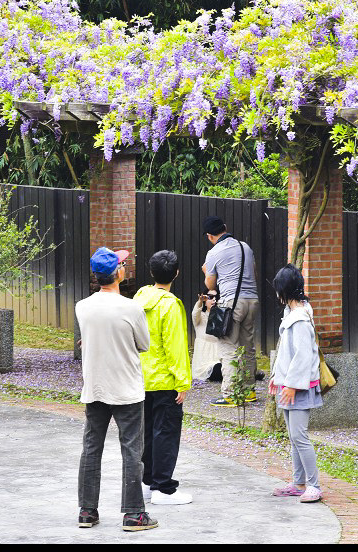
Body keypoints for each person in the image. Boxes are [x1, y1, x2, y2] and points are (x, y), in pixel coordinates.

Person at [75, 247, 157, 532]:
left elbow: (89, 339)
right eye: (123, 265)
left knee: (91, 448)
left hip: (95, 386)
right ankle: (134, 514)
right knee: (131, 450)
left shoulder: (82, 306)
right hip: (126, 388)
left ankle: (87, 510)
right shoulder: (132, 307)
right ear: (119, 273)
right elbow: (144, 344)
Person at [133, 249, 193, 506]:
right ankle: (163, 487)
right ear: (176, 273)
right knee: (166, 433)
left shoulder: (139, 298)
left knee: (146, 432)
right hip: (166, 380)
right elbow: (175, 347)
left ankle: (147, 483)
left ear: (151, 272)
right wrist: (183, 382)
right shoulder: (171, 304)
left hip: (141, 377)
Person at [268, 264, 323, 503]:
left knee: (299, 435)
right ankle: (299, 482)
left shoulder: (299, 319)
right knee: (294, 436)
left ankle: (314, 485)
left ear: (284, 291)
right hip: (290, 385)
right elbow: (285, 354)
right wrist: (276, 378)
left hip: (299, 387)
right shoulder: (293, 314)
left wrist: (290, 384)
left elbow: (302, 356)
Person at [200, 215, 259, 407]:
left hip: (232, 302)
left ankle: (231, 394)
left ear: (209, 236)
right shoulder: (245, 247)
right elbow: (253, 271)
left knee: (229, 348)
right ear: (225, 227)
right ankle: (249, 391)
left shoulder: (214, 252)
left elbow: (210, 284)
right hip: (252, 300)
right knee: (248, 346)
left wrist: (205, 271)